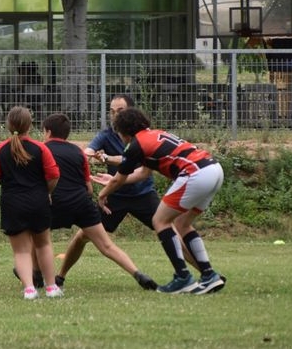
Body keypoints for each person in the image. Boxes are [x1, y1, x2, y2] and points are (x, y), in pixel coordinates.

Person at [96, 107, 226, 295]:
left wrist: (103, 194)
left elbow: (119, 178)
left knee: (160, 220)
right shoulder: (154, 135)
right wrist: (113, 182)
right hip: (213, 169)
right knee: (182, 223)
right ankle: (208, 275)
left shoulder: (136, 144)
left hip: (195, 173)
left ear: (124, 132)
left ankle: (183, 277)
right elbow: (142, 173)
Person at [55, 94, 163, 287]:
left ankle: (201, 272)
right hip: (116, 196)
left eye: (119, 111)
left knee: (169, 229)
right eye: (112, 112)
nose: (114, 116)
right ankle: (60, 276)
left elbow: (132, 163)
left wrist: (107, 158)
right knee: (82, 236)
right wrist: (82, 156)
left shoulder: (144, 137)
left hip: (143, 195)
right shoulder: (105, 135)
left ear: (130, 112)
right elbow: (88, 152)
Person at [0, 106, 62, 300]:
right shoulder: (41, 148)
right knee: (43, 244)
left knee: (21, 251)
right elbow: (54, 175)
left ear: (8, 126)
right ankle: (51, 287)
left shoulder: (0, 149)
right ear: (30, 125)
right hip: (38, 201)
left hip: (13, 203)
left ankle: (29, 289)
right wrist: (47, 192)